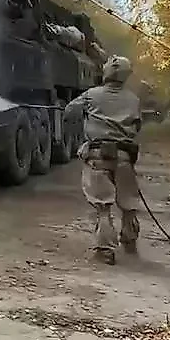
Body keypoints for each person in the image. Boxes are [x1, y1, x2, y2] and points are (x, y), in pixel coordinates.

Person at [66, 55, 143, 265]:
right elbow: (137, 126)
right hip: (125, 157)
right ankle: (130, 240)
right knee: (128, 203)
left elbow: (69, 113)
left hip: (98, 156)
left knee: (102, 206)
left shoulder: (91, 95)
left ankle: (105, 250)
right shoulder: (133, 99)